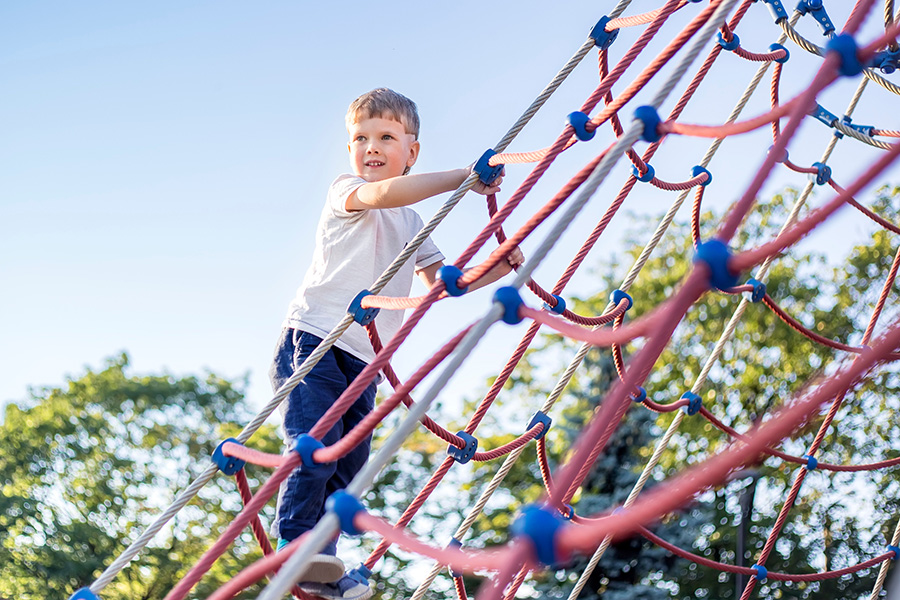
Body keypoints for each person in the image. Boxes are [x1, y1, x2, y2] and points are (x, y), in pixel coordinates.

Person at [270, 88, 523, 600]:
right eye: (360, 138)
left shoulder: (413, 222)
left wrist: (493, 270)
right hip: (316, 337)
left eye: (386, 137)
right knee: (315, 445)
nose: (371, 147)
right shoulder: (348, 191)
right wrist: (462, 179)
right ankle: (294, 544)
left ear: (412, 151)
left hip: (365, 359)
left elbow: (438, 281)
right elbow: (386, 194)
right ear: (349, 151)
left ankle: (325, 565)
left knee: (349, 463)